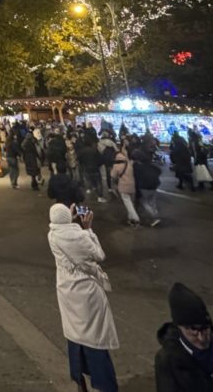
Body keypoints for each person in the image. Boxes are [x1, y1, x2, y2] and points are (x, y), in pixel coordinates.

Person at [48, 204, 120, 392]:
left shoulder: (52, 235)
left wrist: (68, 220)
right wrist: (87, 228)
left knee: (74, 335)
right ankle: (104, 385)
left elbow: (61, 227)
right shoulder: (79, 236)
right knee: (95, 339)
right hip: (86, 292)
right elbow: (99, 254)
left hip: (66, 291)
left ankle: (80, 382)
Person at [110, 145, 140, 228]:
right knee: (131, 203)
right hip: (132, 185)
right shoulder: (129, 164)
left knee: (128, 203)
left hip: (123, 187)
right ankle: (131, 219)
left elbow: (112, 176)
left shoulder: (116, 166)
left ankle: (135, 218)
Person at [132, 149, 162, 227]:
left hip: (144, 186)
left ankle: (154, 217)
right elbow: (159, 170)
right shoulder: (148, 163)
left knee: (145, 202)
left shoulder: (136, 166)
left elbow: (135, 177)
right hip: (154, 184)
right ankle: (155, 215)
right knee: (152, 202)